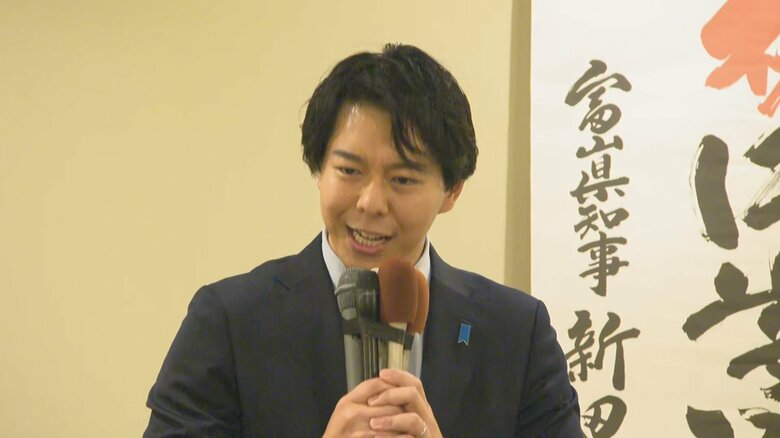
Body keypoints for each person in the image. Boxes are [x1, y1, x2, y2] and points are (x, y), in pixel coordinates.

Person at [144, 43, 581, 437]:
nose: (370, 202)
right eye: (349, 171)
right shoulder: (229, 321)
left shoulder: (517, 334)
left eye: (402, 178)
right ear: (319, 169)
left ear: (452, 190)